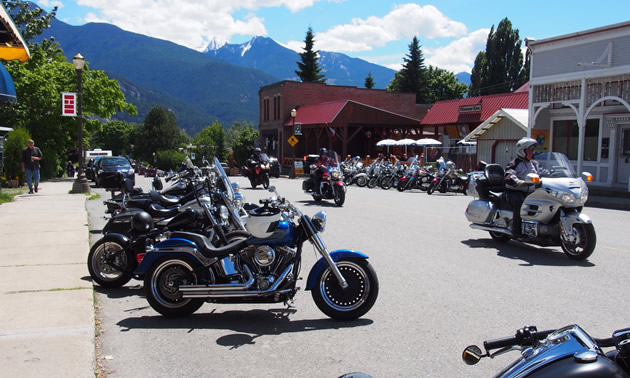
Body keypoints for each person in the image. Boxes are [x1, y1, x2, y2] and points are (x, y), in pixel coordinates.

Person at [504, 137, 548, 238]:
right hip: (515, 191)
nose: (531, 153)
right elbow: (509, 175)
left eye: (532, 150)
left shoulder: (534, 163)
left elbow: (542, 172)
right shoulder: (514, 163)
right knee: (519, 202)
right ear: (522, 151)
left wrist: (555, 174)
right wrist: (519, 182)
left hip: (531, 191)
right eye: (529, 150)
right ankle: (516, 231)